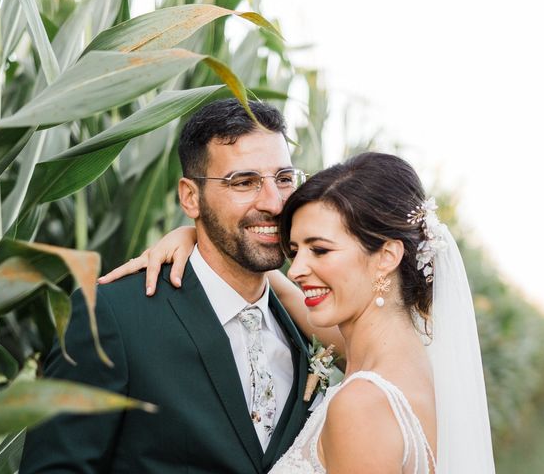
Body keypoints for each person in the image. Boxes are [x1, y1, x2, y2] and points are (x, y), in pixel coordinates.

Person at [106, 153, 496, 473]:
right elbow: (289, 291)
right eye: (295, 250)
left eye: (320, 250)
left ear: (387, 256)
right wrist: (198, 238)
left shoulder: (360, 406)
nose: (295, 269)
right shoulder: (412, 353)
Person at [19, 98, 319, 474]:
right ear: (190, 196)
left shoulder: (311, 322)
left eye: (284, 179)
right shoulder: (113, 316)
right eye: (244, 182)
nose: (275, 203)